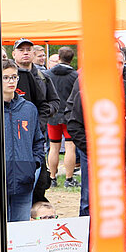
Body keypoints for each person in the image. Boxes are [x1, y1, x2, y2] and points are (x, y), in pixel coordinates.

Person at [67, 48, 126, 252]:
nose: (116, 66)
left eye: (120, 62)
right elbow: (74, 125)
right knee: (97, 210)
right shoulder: (88, 90)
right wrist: (95, 152)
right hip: (102, 164)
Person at [11, 39, 61, 204]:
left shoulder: (43, 76)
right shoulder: (6, 77)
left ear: (34, 53)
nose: (25, 52)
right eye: (21, 50)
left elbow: (53, 101)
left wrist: (41, 118)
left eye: (28, 49)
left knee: (39, 178)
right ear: (14, 54)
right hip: (14, 135)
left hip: (38, 134)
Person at [1, 59, 47, 222]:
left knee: (21, 229)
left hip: (25, 176)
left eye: (14, 77)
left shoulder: (28, 108)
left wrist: (34, 164)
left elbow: (38, 140)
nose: (11, 81)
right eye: (6, 77)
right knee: (0, 230)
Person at [44, 47, 79, 188]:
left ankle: (52, 177)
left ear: (58, 57)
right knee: (70, 147)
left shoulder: (47, 74)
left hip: (52, 116)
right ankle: (69, 179)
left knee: (53, 147)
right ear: (71, 59)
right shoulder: (75, 76)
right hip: (69, 116)